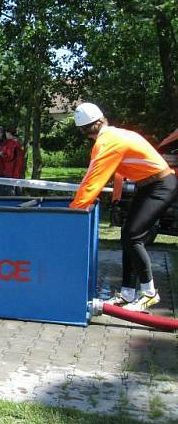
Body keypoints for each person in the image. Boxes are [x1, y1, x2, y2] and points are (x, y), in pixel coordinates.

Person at [70, 102, 178, 312]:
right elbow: (98, 176)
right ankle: (128, 293)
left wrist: (75, 209)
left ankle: (149, 293)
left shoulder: (107, 142)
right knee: (128, 236)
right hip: (150, 185)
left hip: (160, 185)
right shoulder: (114, 135)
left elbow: (93, 179)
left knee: (133, 236)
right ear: (102, 119)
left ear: (83, 130)